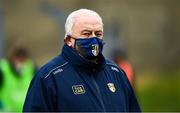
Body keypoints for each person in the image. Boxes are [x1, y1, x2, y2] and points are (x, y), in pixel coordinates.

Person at [23, 9, 141, 112]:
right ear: (69, 40)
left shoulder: (116, 73)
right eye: (86, 34)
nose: (94, 39)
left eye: (98, 34)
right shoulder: (49, 77)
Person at [0, 45, 36, 111]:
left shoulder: (31, 69)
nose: (20, 63)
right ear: (12, 58)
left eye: (23, 60)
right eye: (18, 59)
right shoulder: (2, 70)